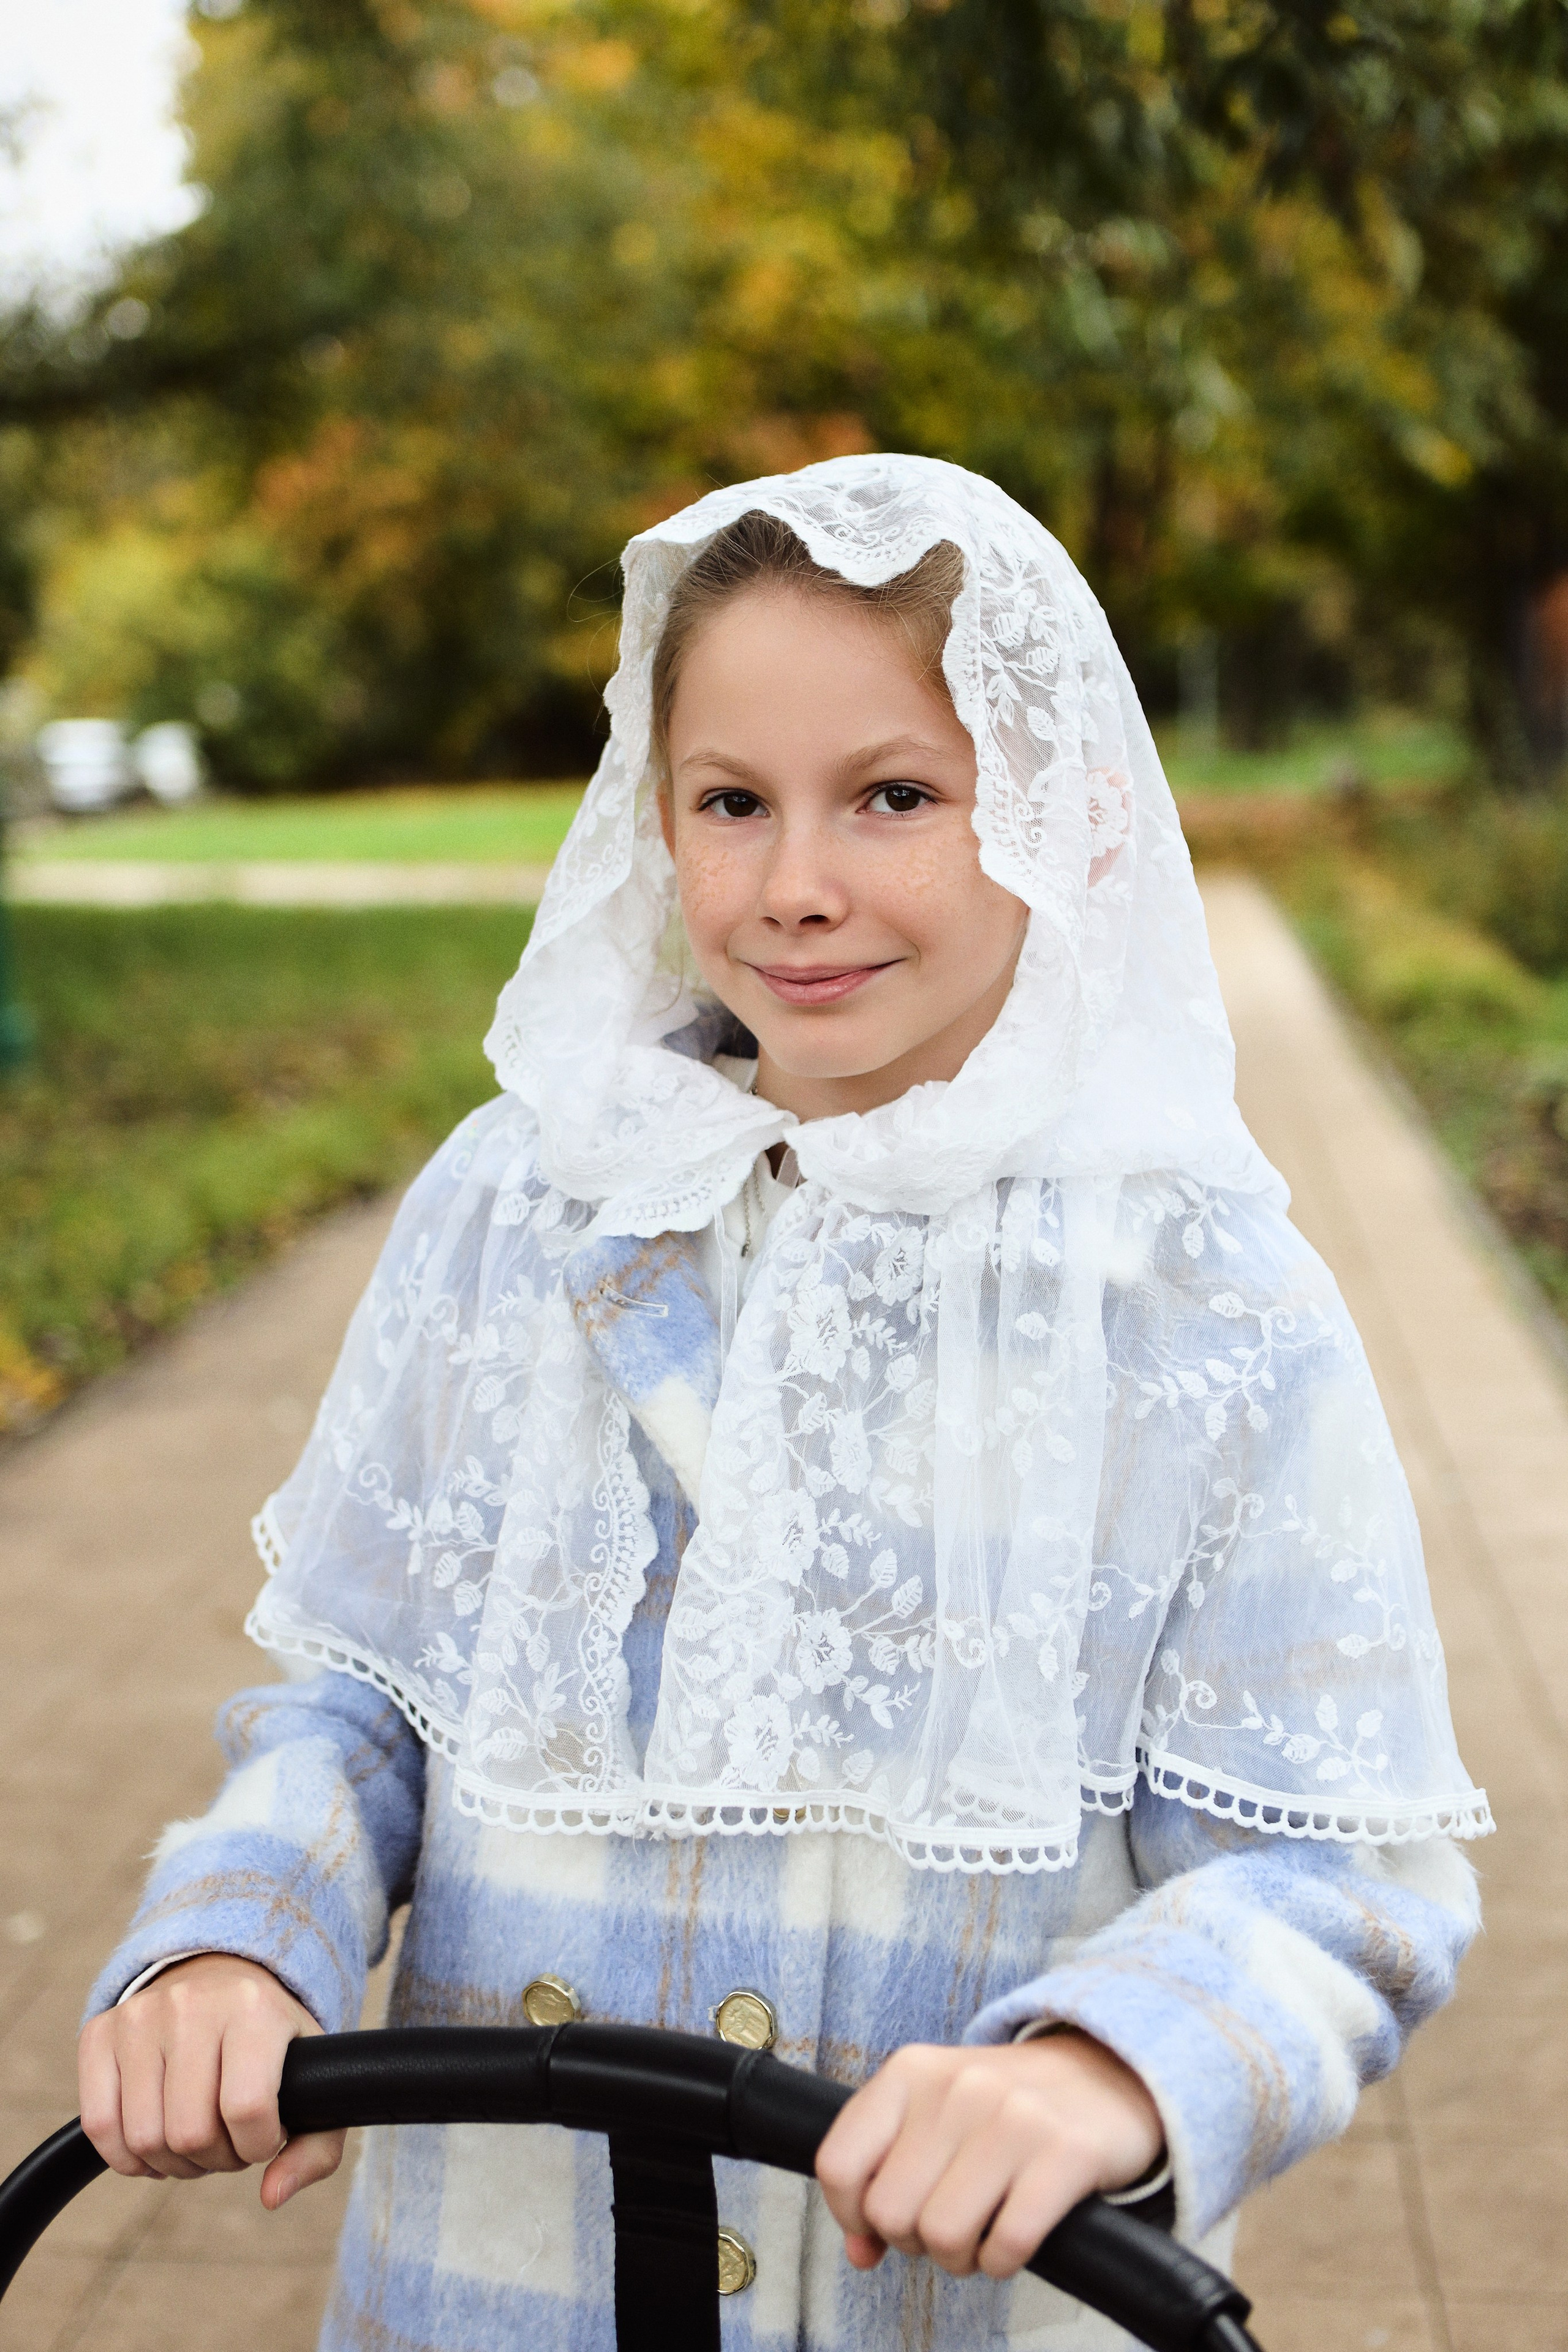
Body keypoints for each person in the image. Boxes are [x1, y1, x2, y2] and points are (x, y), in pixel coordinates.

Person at [77, 456, 1490, 2351]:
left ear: (1063, 820)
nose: (799, 885)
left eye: (895, 797)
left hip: (955, 2307)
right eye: (733, 803)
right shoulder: (522, 1212)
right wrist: (243, 1928)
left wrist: (1108, 2067)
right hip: (498, 2289)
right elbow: (364, 1701)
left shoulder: (1200, 1298)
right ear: (656, 822)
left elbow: (1334, 1868)